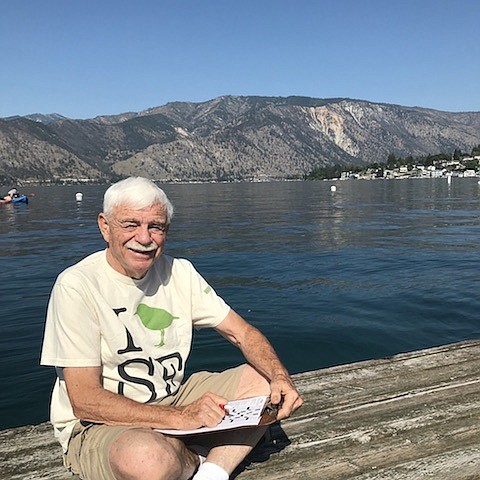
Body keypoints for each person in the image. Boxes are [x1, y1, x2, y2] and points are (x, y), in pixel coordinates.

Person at [41, 176, 303, 480]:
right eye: (130, 224)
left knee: (264, 383)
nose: (144, 237)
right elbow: (85, 400)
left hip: (172, 398)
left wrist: (279, 376)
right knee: (148, 460)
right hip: (101, 425)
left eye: (156, 226)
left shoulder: (180, 273)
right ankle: (192, 454)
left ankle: (213, 473)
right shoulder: (77, 285)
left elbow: (242, 333)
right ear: (105, 226)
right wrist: (181, 417)